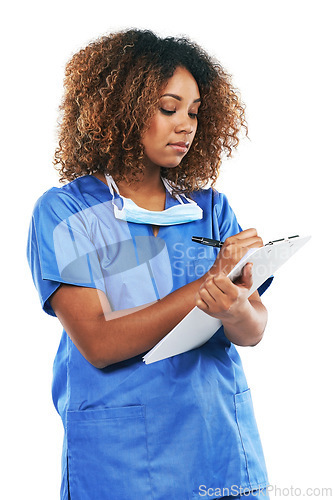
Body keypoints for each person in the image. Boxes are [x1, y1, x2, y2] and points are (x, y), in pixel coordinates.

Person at [27, 29, 273, 500]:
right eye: (168, 108)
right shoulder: (65, 214)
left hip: (219, 445)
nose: (186, 125)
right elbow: (98, 342)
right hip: (120, 460)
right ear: (121, 108)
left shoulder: (210, 209)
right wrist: (209, 283)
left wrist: (235, 308)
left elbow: (252, 329)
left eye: (195, 113)